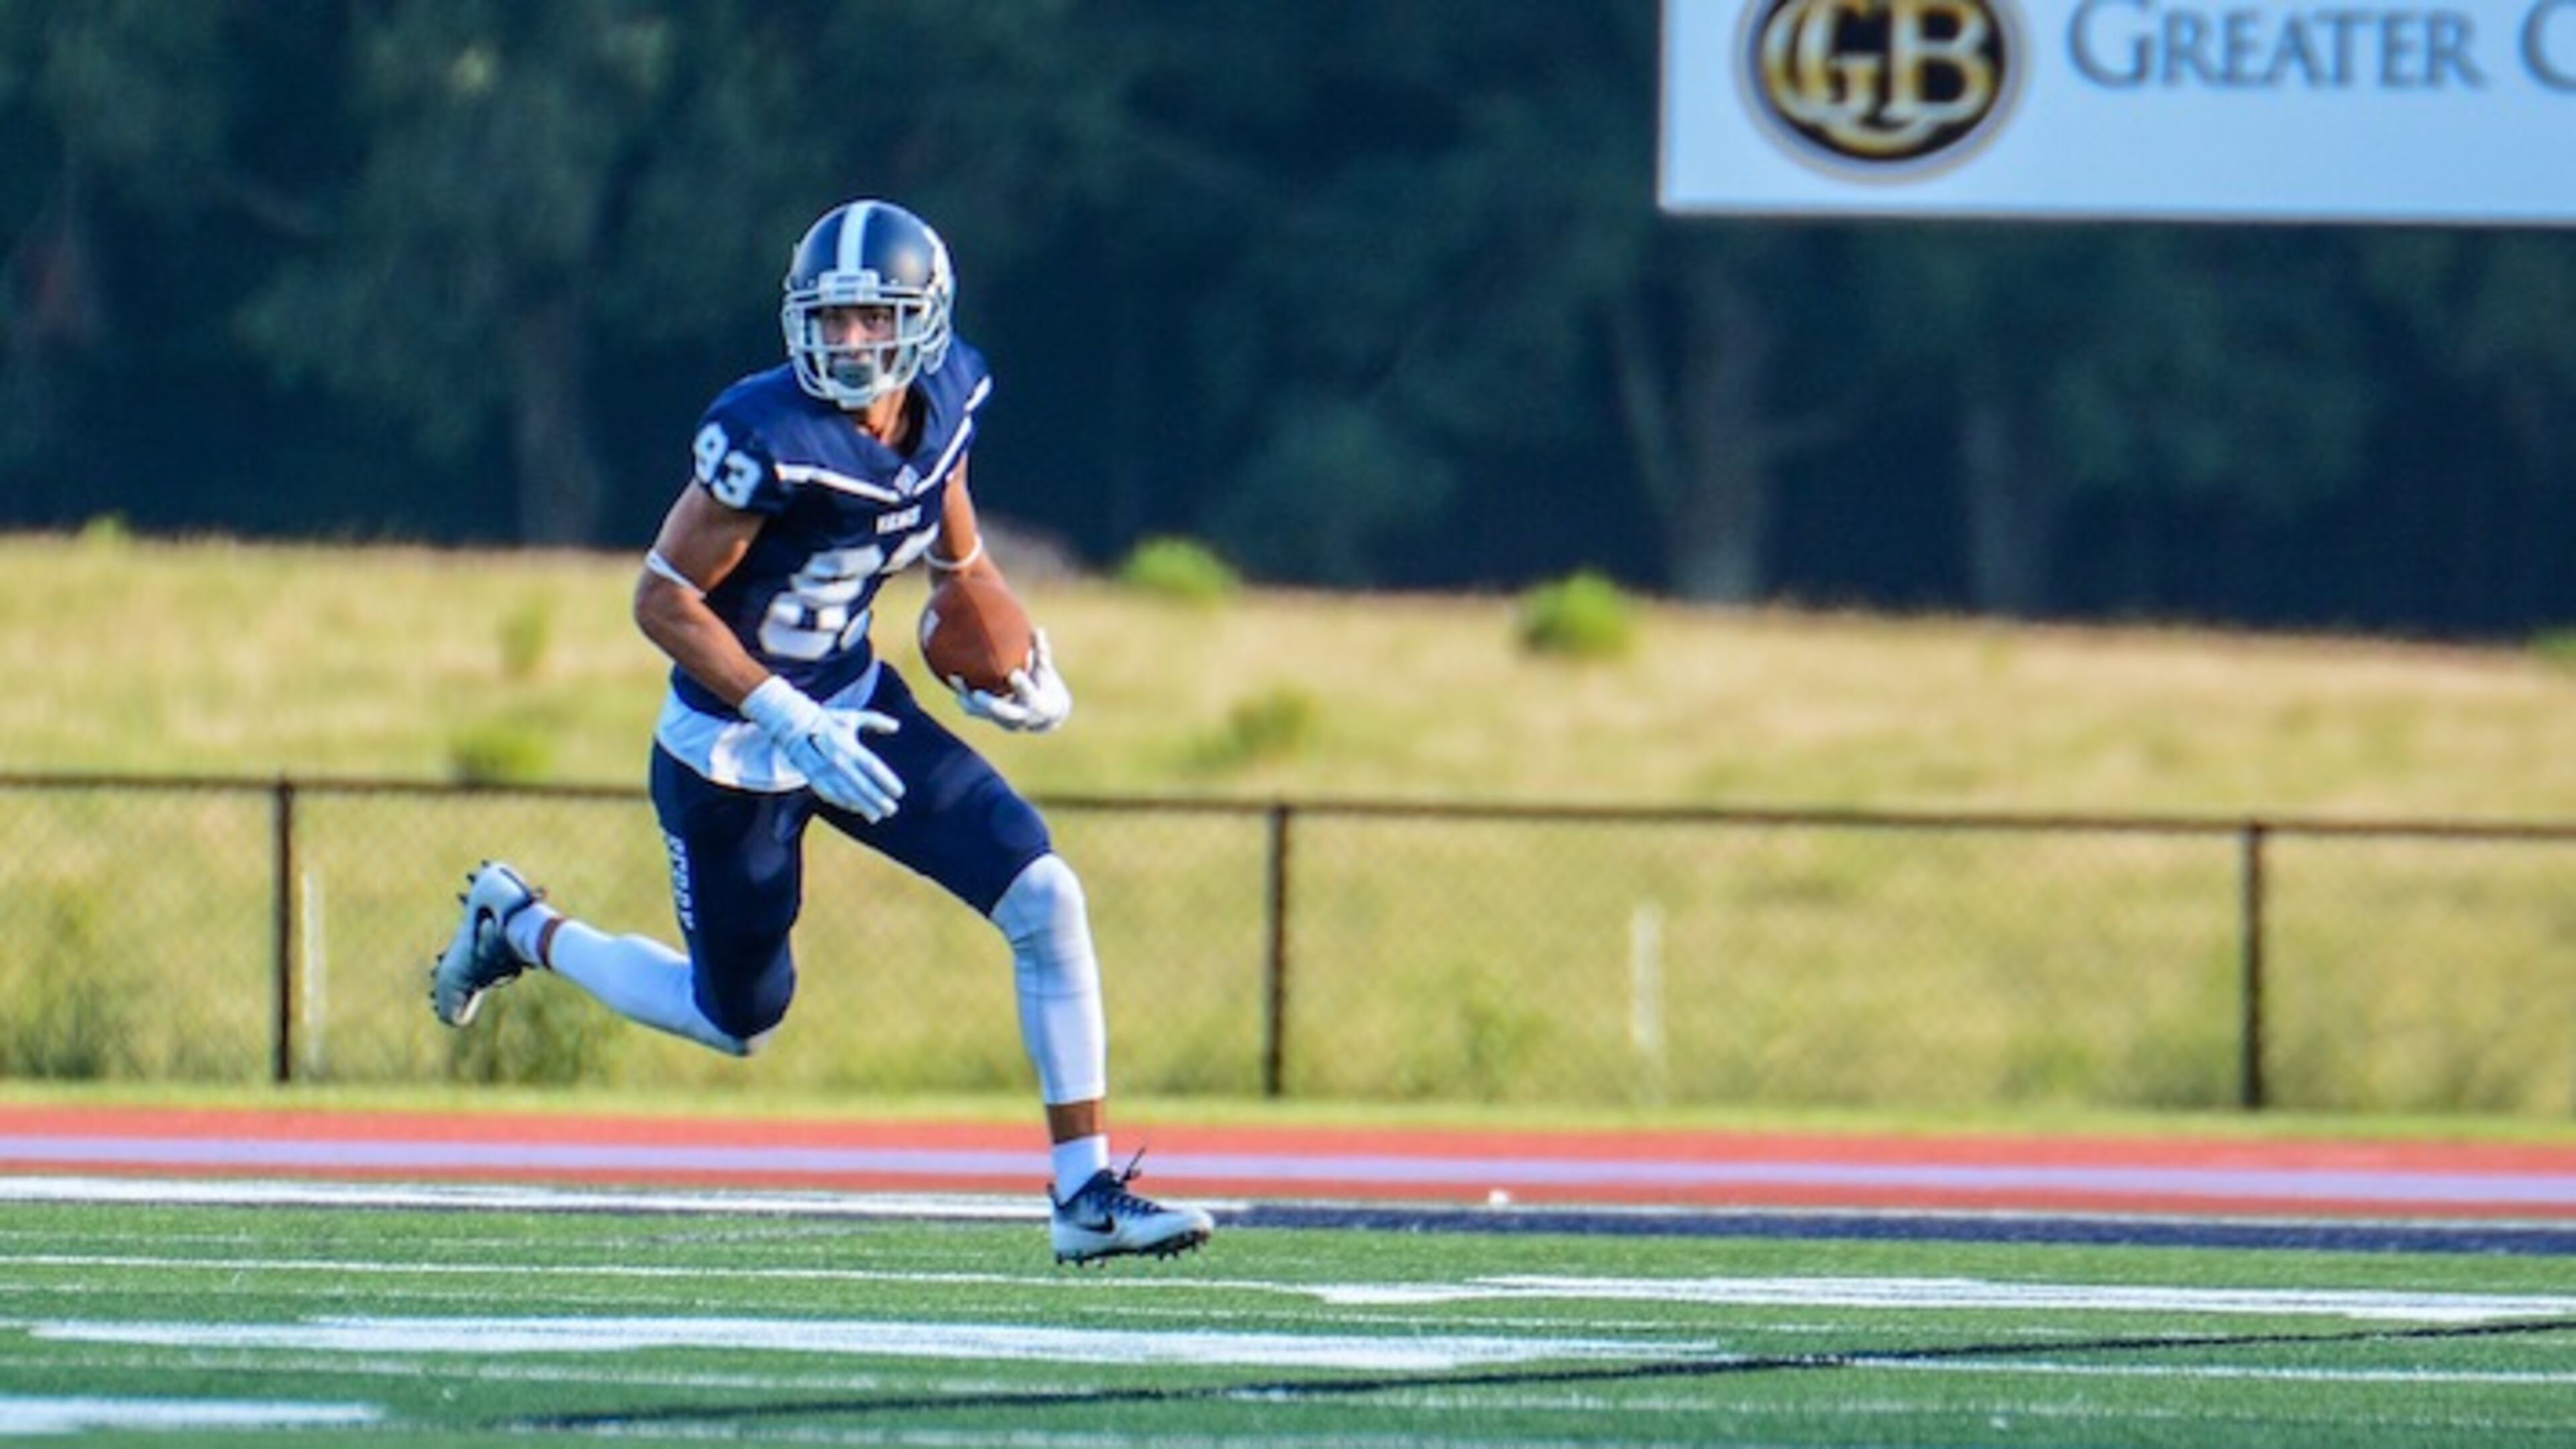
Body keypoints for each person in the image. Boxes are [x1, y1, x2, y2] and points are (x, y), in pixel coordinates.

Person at [428, 197, 1212, 1265]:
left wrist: (1008, 648)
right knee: (735, 1020)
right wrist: (781, 712)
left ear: (923, 321)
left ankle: (1083, 1195)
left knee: (1046, 896)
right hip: (731, 746)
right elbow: (661, 598)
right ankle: (520, 926)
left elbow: (950, 525)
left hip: (856, 706)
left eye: (872, 318)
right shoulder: (766, 437)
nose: (849, 342)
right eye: (831, 319)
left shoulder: (950, 393)